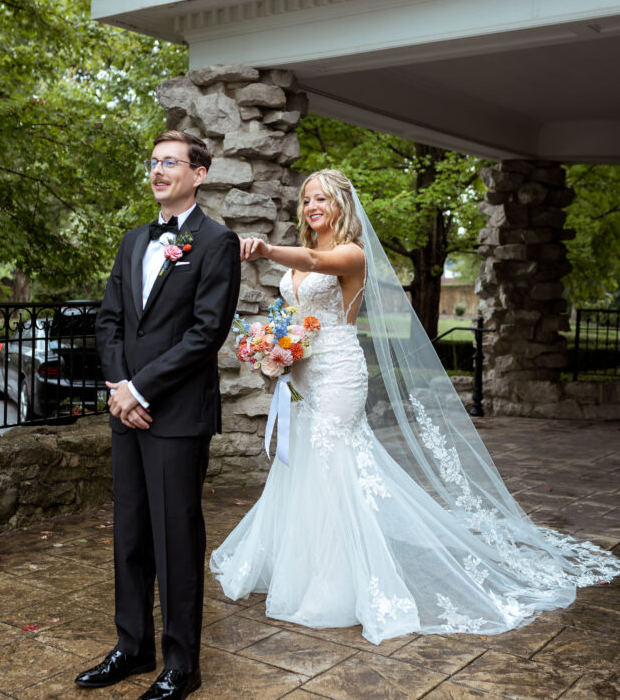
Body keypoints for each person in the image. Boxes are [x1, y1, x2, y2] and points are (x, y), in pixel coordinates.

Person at [210, 169, 620, 644]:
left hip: (339, 373)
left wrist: (266, 250)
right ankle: (296, 567)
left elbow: (311, 261)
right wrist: (275, 352)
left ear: (342, 204)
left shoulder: (350, 254)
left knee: (332, 465)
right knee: (302, 465)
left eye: (321, 198)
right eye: (306, 200)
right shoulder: (305, 257)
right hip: (303, 373)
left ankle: (334, 585)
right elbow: (297, 303)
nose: (312, 206)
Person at [75, 130, 240, 700]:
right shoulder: (131, 241)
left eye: (170, 162)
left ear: (199, 173)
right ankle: (132, 647)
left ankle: (180, 665)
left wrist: (143, 387)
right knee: (130, 536)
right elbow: (109, 321)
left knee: (175, 541)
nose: (158, 171)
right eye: (153, 162)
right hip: (129, 412)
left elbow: (205, 333)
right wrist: (121, 390)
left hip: (175, 416)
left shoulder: (216, 242)